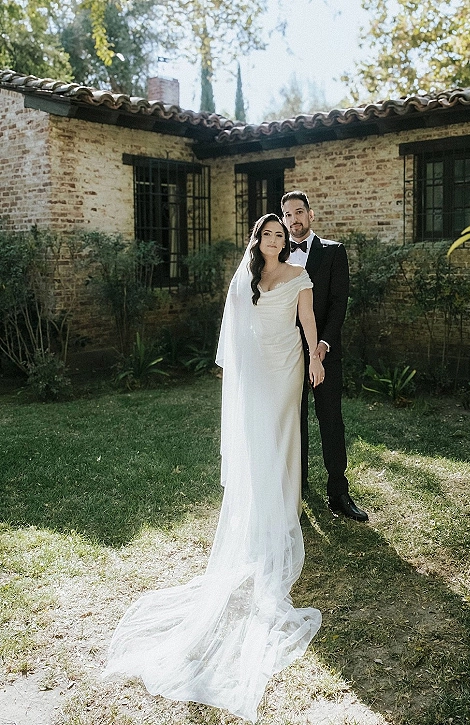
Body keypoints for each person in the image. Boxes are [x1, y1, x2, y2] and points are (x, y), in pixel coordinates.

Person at [103, 214, 323, 723]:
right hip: (256, 370)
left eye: (280, 235)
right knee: (257, 438)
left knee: (283, 436)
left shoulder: (299, 276)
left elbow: (307, 321)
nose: (274, 240)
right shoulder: (245, 276)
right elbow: (235, 329)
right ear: (257, 240)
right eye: (267, 235)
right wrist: (238, 374)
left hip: (289, 363)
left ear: (287, 241)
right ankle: (263, 509)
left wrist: (316, 357)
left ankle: (284, 508)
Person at [281, 190, 369, 523]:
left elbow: (338, 304)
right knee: (293, 422)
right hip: (287, 354)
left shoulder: (333, 252)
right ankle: (297, 490)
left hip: (324, 354)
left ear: (311, 215)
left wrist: (322, 346)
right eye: (288, 215)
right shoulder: (277, 253)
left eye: (299, 213)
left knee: (330, 420)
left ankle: (339, 493)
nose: (294, 221)